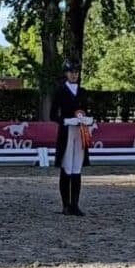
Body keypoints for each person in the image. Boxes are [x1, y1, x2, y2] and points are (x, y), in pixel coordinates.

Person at [50, 59, 93, 216]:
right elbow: (53, 115)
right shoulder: (60, 92)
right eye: (71, 72)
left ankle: (75, 204)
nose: (74, 75)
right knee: (66, 167)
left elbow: (87, 110)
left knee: (77, 168)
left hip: (80, 132)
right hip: (67, 132)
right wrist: (67, 120)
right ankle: (65, 205)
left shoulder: (83, 92)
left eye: (76, 72)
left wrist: (89, 120)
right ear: (66, 73)